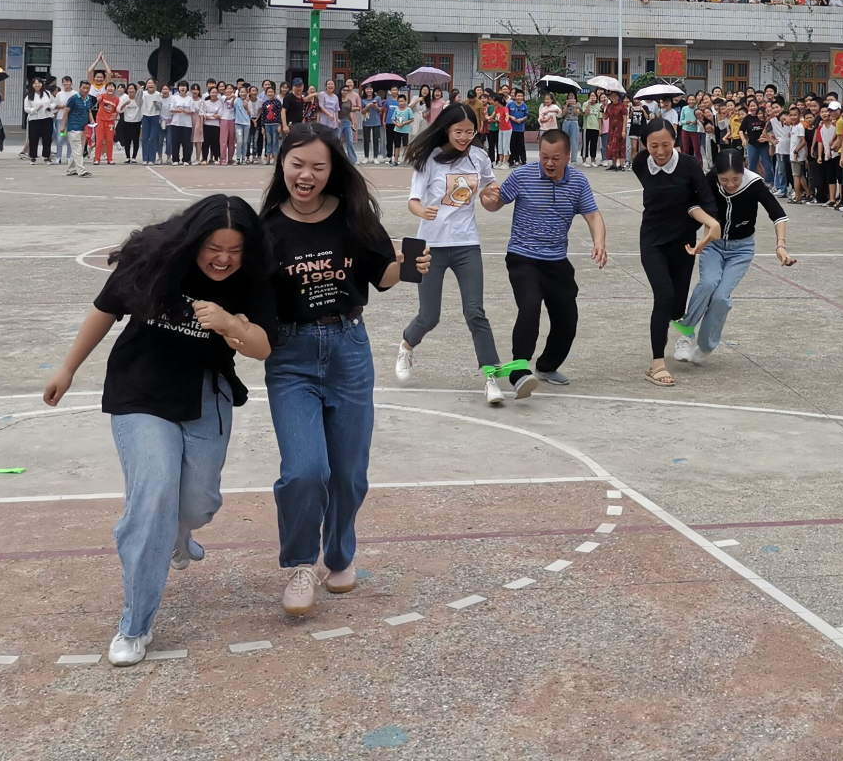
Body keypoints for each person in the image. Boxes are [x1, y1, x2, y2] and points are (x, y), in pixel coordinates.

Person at [42, 195, 275, 665]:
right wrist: (67, 368)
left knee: (198, 503)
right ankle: (135, 625)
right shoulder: (151, 258)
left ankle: (179, 533)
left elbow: (262, 347)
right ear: (193, 240)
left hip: (206, 395)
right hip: (140, 392)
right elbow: (104, 312)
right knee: (153, 498)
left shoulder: (252, 277)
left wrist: (230, 323)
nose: (223, 259)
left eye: (234, 250)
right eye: (213, 247)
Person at [258, 123, 427, 619]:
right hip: (290, 356)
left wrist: (413, 264)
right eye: (297, 164)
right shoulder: (265, 229)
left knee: (350, 474)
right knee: (305, 471)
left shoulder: (354, 217)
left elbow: (383, 276)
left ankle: (339, 554)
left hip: (349, 348)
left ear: (332, 171)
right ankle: (300, 565)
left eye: (317, 166)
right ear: (281, 164)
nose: (305, 175)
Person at [396, 103, 512, 404]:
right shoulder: (429, 159)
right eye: (458, 131)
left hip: (466, 243)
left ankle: (490, 379)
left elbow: (489, 191)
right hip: (430, 246)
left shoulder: (479, 157)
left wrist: (491, 195)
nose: (464, 137)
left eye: (469, 132)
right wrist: (424, 211)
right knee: (429, 316)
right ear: (446, 129)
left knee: (475, 311)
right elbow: (413, 202)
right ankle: (406, 346)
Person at [480, 128, 606, 389]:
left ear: (568, 156)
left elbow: (593, 215)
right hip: (522, 257)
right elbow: (495, 202)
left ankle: (547, 367)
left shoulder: (579, 182)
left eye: (556, 158)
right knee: (530, 307)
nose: (549, 163)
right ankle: (519, 371)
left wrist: (599, 243)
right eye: (544, 157)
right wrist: (486, 198)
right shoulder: (522, 175)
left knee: (567, 319)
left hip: (557, 260)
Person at [673, 147, 793, 364]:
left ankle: (706, 344)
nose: (729, 184)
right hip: (713, 244)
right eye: (724, 179)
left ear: (744, 169)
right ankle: (685, 333)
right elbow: (691, 205)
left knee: (720, 297)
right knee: (708, 283)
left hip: (741, 250)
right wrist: (707, 227)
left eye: (735, 179)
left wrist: (781, 246)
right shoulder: (710, 179)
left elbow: (778, 215)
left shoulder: (754, 184)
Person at [631, 120, 721, 387]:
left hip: (684, 242)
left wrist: (707, 229)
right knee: (664, 296)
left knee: (677, 307)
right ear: (646, 145)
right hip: (652, 240)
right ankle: (657, 363)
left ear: (675, 141)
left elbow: (705, 201)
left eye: (666, 145)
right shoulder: (640, 163)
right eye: (653, 145)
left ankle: (682, 329)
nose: (659, 151)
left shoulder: (690, 165)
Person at [25, 80, 55, 163]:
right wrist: (35, 109)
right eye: (35, 83)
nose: (37, 85)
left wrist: (50, 107)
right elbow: (26, 108)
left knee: (47, 138)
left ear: (42, 84)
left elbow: (54, 103)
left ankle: (46, 156)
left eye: (39, 83)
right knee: (33, 138)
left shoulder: (47, 93)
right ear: (32, 85)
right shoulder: (29, 96)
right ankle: (33, 156)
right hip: (34, 119)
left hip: (47, 117)